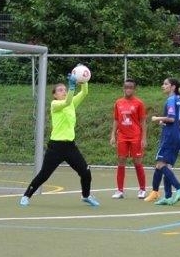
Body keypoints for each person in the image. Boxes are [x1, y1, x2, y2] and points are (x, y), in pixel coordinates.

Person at [20, 71, 99, 207]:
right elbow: (67, 101)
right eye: (60, 90)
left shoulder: (71, 103)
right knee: (44, 174)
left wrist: (84, 79)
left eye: (65, 89)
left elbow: (84, 93)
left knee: (86, 172)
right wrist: (72, 87)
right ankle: (26, 195)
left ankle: (86, 196)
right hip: (56, 147)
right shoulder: (55, 105)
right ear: (55, 95)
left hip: (70, 147)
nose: (64, 91)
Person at [145, 78, 180, 205]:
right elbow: (175, 119)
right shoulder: (179, 100)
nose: (163, 86)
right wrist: (164, 121)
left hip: (169, 136)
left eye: (166, 84)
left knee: (160, 164)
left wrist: (156, 118)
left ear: (173, 87)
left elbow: (171, 118)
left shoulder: (171, 100)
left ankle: (179, 187)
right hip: (176, 135)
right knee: (166, 166)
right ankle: (168, 196)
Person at [110, 78, 148, 199]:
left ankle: (142, 189)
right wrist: (113, 135)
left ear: (134, 89)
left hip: (135, 136)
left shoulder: (139, 103)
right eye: (126, 87)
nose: (128, 89)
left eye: (131, 87)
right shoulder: (118, 102)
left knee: (137, 161)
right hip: (122, 136)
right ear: (123, 88)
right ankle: (119, 190)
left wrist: (144, 138)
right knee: (121, 160)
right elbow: (116, 120)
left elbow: (143, 122)